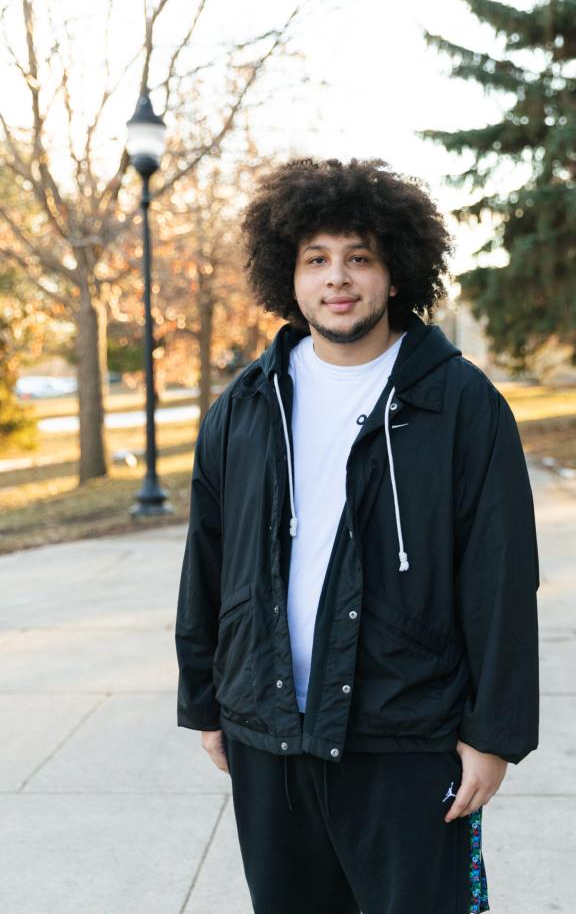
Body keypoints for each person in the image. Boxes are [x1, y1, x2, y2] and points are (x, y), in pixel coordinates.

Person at [175, 157, 540, 914]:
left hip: (406, 734)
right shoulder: (246, 405)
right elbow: (207, 558)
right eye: (316, 260)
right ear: (289, 277)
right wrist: (206, 699)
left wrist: (493, 733)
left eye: (359, 258)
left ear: (396, 272)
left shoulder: (460, 403)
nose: (337, 279)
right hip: (269, 730)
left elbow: (502, 574)